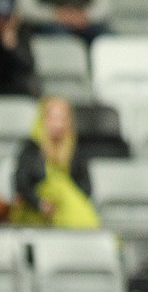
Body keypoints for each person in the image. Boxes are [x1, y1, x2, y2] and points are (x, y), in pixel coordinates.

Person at [9, 94, 99, 228]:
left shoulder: (75, 150)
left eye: (63, 119)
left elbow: (86, 187)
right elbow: (21, 183)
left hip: (66, 207)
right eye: (53, 118)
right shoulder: (31, 149)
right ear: (43, 119)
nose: (58, 124)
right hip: (36, 211)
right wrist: (40, 203)